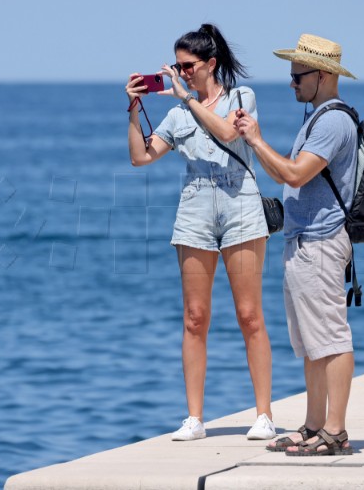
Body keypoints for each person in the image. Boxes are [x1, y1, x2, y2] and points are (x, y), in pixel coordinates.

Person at [124, 23, 275, 441]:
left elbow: (228, 132)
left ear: (210, 64)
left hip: (240, 205)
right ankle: (194, 418)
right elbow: (141, 158)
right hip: (195, 210)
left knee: (249, 315)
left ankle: (263, 414)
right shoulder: (176, 114)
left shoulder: (242, 98)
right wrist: (134, 113)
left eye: (188, 66)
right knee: (195, 318)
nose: (181, 72)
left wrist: (188, 99)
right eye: (177, 66)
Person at [234, 33, 358, 455]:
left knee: (332, 339)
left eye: (297, 76)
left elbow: (294, 173)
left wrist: (255, 139)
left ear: (322, 76)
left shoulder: (333, 121)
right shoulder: (317, 116)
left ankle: (336, 432)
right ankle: (314, 425)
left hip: (321, 242)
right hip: (305, 241)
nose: (291, 84)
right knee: (311, 341)